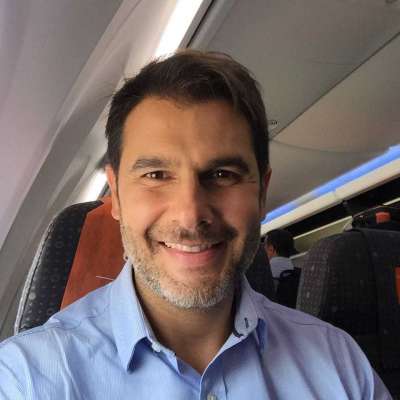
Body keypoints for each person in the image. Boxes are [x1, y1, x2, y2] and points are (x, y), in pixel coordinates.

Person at [0, 50, 391, 399]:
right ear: (115, 195)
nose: (190, 214)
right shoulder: (26, 379)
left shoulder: (340, 364)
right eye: (156, 175)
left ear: (261, 193)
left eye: (222, 174)